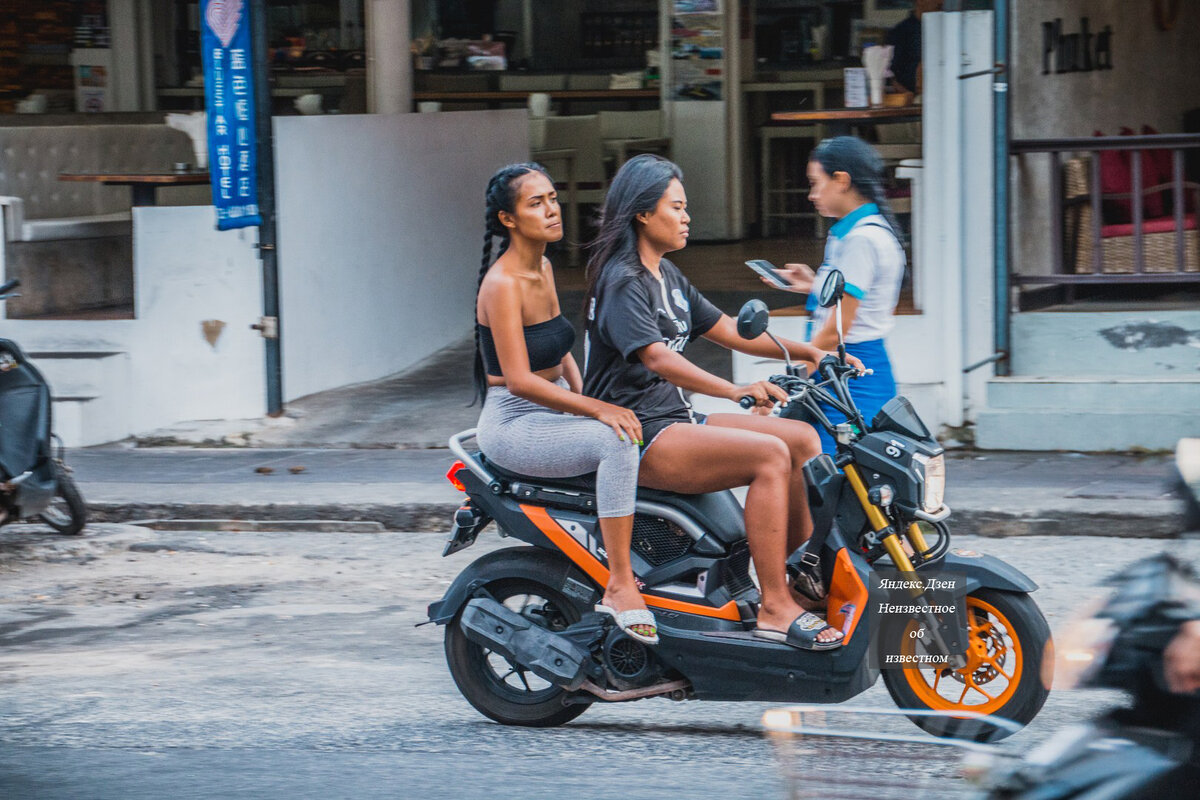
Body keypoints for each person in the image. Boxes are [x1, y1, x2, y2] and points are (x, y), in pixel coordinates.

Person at [583, 154, 862, 651]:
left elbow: (731, 331)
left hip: (675, 417)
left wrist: (813, 351)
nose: (687, 217)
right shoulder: (623, 280)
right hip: (639, 433)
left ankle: (801, 582)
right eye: (676, 207)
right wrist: (734, 390)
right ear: (643, 214)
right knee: (769, 457)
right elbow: (655, 359)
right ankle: (775, 607)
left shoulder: (666, 275)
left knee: (800, 438)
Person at [473, 163, 657, 644]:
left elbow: (558, 353)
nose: (552, 209)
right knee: (617, 441)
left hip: (550, 409)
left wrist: (593, 398)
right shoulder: (502, 284)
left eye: (553, 197)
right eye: (536, 203)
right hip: (514, 421)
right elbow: (519, 381)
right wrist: (597, 412)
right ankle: (619, 584)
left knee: (635, 424)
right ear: (508, 219)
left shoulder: (545, 267)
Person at [763, 136, 906, 455]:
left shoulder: (861, 240)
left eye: (816, 183)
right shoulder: (859, 232)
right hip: (844, 373)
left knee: (837, 475)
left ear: (841, 180)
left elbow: (833, 331)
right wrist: (815, 284)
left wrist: (787, 383)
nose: (812, 195)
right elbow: (854, 300)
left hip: (850, 378)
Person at [885, 0, 943, 96]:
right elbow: (889, 74)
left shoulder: (948, 29)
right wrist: (909, 96)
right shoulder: (901, 32)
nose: (941, 2)